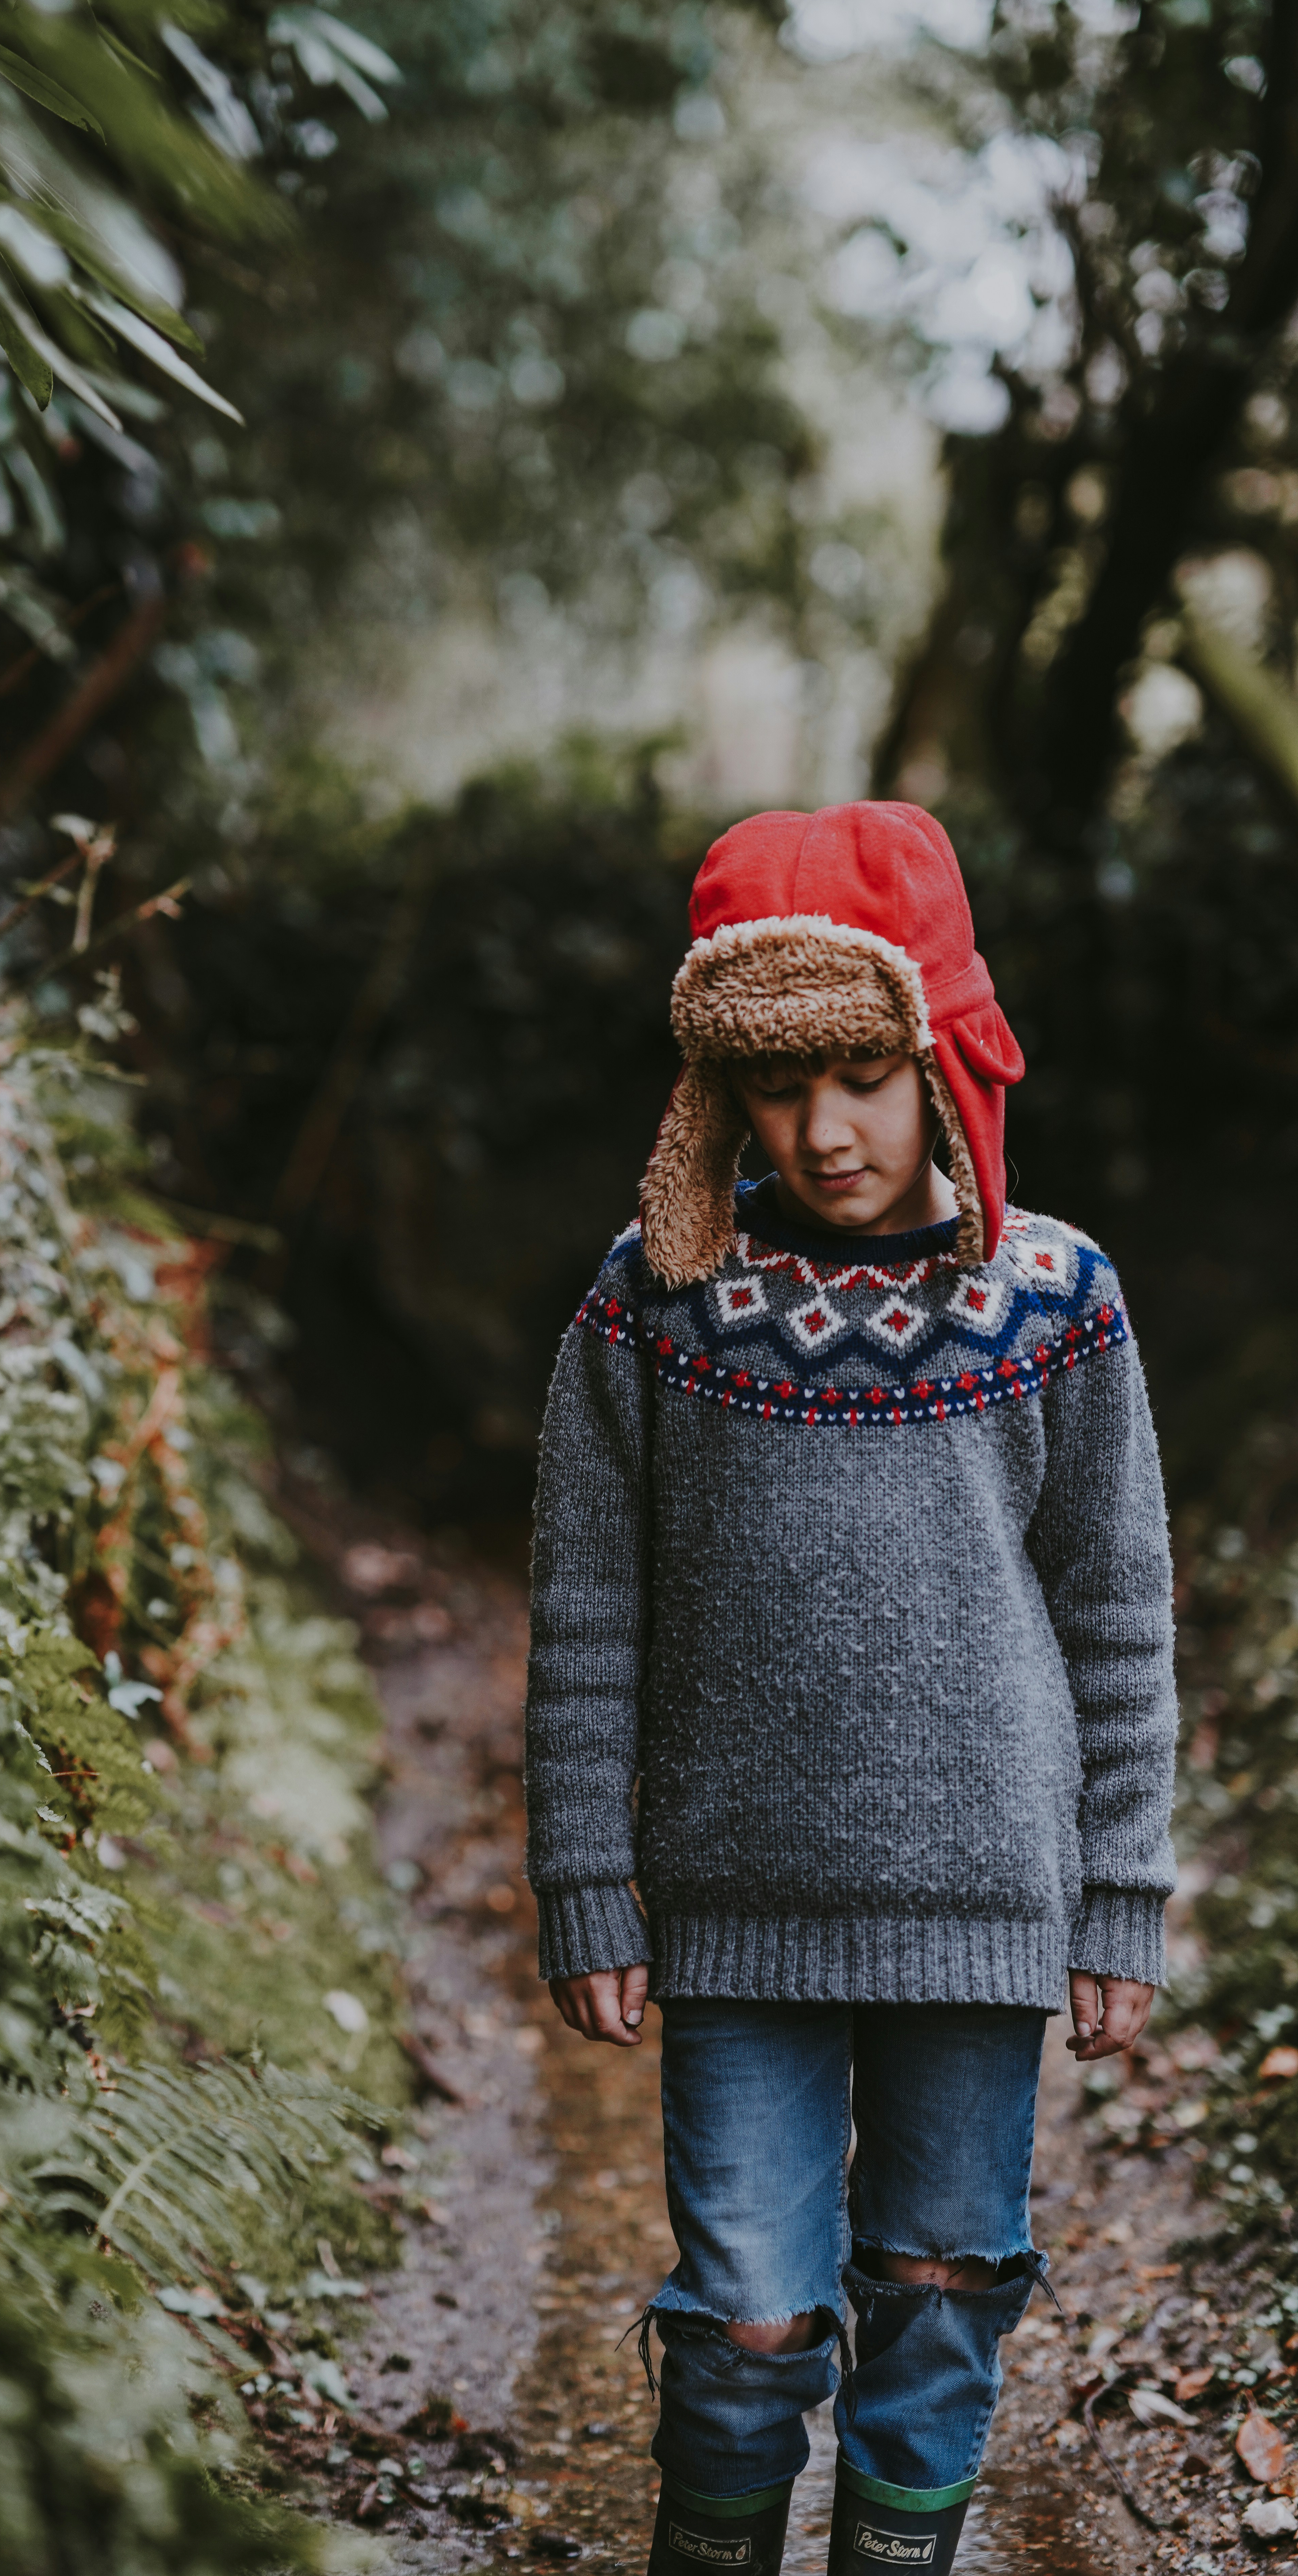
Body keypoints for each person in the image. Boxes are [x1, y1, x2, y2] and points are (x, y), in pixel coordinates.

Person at [523, 802, 1176, 2576]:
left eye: (864, 1079)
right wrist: (588, 1875)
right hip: (735, 1909)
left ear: (941, 1059)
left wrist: (1115, 1894)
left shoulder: (1053, 1301)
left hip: (981, 1909)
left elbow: (1114, 1607)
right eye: (774, 1085)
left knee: (941, 2296)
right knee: (742, 2329)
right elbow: (584, 1605)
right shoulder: (655, 1305)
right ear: (714, 1094)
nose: (822, 1130)